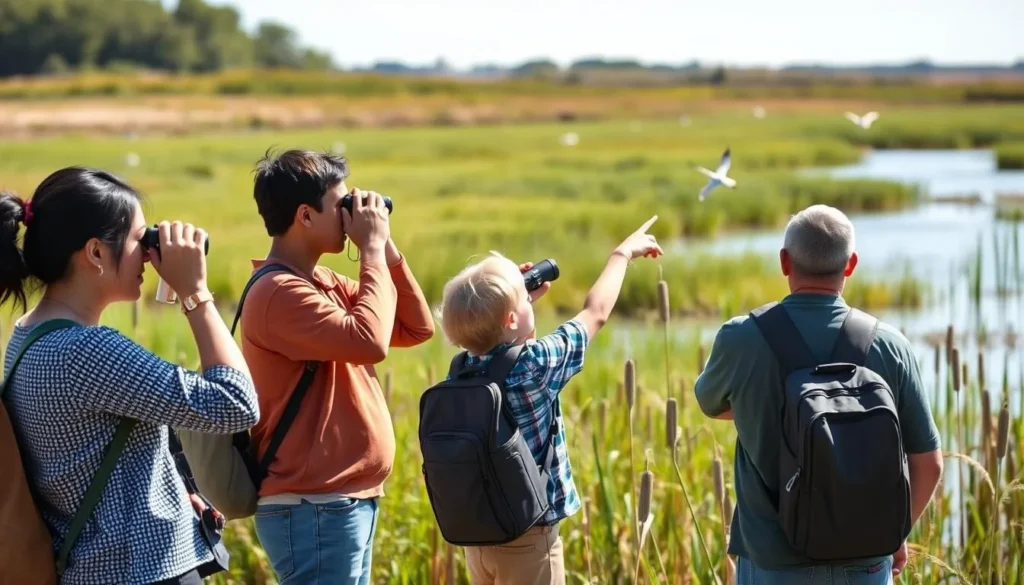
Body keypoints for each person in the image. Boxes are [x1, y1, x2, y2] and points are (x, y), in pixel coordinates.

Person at [0, 168, 259, 584]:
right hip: (139, 571)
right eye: (142, 239)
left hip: (94, 568)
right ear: (96, 253)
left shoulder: (29, 334)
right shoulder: (86, 351)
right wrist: (196, 294)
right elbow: (235, 404)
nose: (150, 254)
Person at [694, 204, 944, 584]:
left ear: (784, 262)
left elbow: (712, 406)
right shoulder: (891, 346)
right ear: (851, 264)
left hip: (770, 566)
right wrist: (895, 532)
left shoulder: (740, 339)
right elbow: (930, 464)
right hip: (866, 565)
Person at [238, 150, 435, 585]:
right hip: (313, 507)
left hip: (336, 503)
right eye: (341, 205)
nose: (352, 215)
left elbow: (415, 327)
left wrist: (384, 244)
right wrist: (369, 248)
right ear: (305, 216)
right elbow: (369, 341)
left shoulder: (321, 282)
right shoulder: (278, 293)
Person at [435, 216, 663, 585]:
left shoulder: (460, 369)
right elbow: (595, 313)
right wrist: (622, 254)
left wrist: (519, 307)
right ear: (511, 319)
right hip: (529, 538)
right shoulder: (536, 365)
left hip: (478, 541)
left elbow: (501, 348)